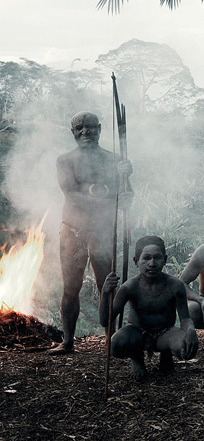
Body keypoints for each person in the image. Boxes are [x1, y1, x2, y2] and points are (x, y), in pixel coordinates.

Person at [49, 111, 133, 355]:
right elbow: (72, 195)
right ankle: (67, 341)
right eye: (79, 128)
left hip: (103, 232)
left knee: (106, 285)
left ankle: (110, 338)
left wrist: (126, 183)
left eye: (90, 127)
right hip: (73, 231)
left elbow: (127, 195)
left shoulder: (115, 160)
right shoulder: (65, 160)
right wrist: (110, 200)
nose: (85, 132)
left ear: (99, 128)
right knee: (70, 288)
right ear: (72, 132)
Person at [99, 236, 198, 379]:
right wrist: (105, 292)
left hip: (165, 333)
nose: (152, 263)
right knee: (116, 344)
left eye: (157, 258)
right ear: (136, 261)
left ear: (164, 259)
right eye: (146, 258)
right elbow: (105, 321)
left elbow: (185, 318)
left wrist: (190, 330)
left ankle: (166, 354)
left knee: (186, 348)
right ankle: (137, 358)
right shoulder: (129, 287)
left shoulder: (175, 285)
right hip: (137, 332)